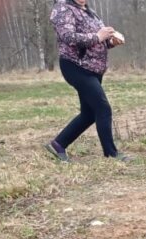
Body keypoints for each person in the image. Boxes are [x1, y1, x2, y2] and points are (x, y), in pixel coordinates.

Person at [46, 0, 126, 162]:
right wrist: (98, 36)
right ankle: (111, 154)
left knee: (89, 114)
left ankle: (58, 144)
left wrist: (110, 41)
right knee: (103, 108)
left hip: (93, 68)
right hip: (76, 66)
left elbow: (97, 41)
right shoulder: (63, 8)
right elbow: (68, 37)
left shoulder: (87, 11)